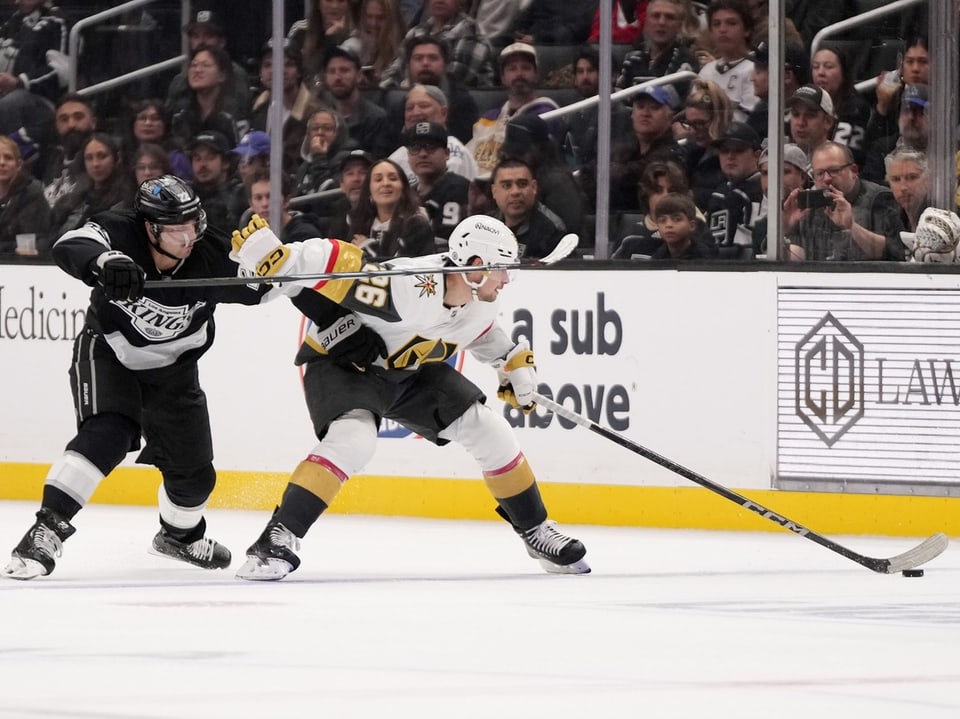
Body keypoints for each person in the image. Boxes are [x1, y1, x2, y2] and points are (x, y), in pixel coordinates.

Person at [228, 213, 590, 580]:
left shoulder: (482, 296)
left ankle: (535, 529)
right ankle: (277, 537)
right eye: (501, 269)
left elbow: (481, 332)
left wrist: (513, 365)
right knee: (353, 440)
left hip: (408, 371)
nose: (507, 279)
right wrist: (280, 257)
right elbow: (340, 260)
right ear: (476, 267)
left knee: (488, 428)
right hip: (344, 363)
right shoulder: (410, 288)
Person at [2, 176, 270, 579]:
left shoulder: (211, 248)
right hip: (110, 351)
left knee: (196, 476)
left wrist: (277, 258)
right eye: (178, 230)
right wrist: (104, 262)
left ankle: (179, 537)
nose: (189, 238)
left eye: (193, 225)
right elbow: (69, 245)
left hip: (175, 370)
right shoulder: (120, 229)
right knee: (109, 432)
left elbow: (265, 285)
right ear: (149, 227)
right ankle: (45, 531)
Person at [783, 141, 905, 262]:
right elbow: (798, 254)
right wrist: (785, 229)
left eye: (834, 170)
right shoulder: (811, 206)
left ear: (854, 170)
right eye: (819, 173)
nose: (827, 179)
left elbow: (894, 252)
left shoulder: (881, 198)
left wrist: (852, 226)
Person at [467, 43, 559, 177]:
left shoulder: (547, 113)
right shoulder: (489, 117)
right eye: (512, 69)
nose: (519, 74)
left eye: (526, 68)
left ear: (536, 75)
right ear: (503, 77)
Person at [381, 35, 479, 146]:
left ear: (445, 64)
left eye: (433, 58)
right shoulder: (400, 106)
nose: (425, 63)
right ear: (408, 66)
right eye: (418, 58)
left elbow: (465, 147)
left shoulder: (462, 102)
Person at [381, 0, 495, 88]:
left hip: (461, 105)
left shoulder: (471, 31)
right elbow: (394, 72)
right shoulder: (415, 32)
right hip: (416, 99)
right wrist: (382, 89)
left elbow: (452, 80)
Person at [249, 40, 317, 177]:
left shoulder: (314, 114)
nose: (277, 70)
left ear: (299, 72)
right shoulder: (257, 109)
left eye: (288, 64)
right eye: (268, 65)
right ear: (260, 73)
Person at [165, 9, 251, 117]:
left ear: (222, 42)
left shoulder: (235, 73)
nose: (201, 41)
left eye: (208, 35)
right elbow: (169, 118)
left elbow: (239, 112)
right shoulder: (180, 80)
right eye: (196, 36)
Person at [50, 133, 136, 238]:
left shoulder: (126, 199)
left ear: (117, 158)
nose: (95, 164)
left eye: (102, 156)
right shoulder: (78, 197)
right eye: (89, 158)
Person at [347, 157, 436, 259]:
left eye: (393, 178)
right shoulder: (357, 223)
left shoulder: (416, 224)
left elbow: (403, 267)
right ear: (369, 190)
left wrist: (369, 248)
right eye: (378, 179)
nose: (386, 183)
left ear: (403, 188)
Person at [0, 0, 65, 138]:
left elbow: (61, 72)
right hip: (9, 95)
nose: (17, 1)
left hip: (44, 102)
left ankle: (9, 153)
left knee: (9, 104)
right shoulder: (13, 21)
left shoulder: (58, 21)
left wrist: (19, 82)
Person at [388, 84, 479, 182]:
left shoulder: (455, 154)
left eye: (424, 106)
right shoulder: (395, 158)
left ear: (443, 113)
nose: (416, 112)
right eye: (410, 108)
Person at [403, 121, 469, 249]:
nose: (423, 154)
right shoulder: (408, 192)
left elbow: (447, 243)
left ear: (447, 153)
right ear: (408, 156)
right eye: (415, 148)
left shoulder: (456, 187)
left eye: (430, 147)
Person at [167, 46, 249, 149]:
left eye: (205, 65)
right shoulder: (181, 111)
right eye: (193, 65)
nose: (197, 70)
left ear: (222, 75)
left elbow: (240, 152)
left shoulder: (233, 113)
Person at [321, 45, 392, 159]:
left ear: (359, 76)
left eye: (344, 70)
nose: (337, 77)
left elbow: (378, 163)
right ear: (325, 77)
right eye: (331, 71)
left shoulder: (376, 118)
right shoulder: (320, 119)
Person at [705, 121, 763, 256]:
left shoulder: (763, 191)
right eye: (725, 151)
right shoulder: (720, 191)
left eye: (738, 150)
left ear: (757, 155)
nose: (730, 157)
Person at [490, 158, 566, 260]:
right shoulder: (484, 225)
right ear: (494, 191)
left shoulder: (552, 230)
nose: (515, 192)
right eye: (506, 185)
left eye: (522, 184)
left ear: (534, 187)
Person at [615, 0, 700, 91]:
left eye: (670, 17)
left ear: (679, 25)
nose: (661, 22)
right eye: (655, 16)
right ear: (646, 21)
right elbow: (618, 98)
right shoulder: (632, 59)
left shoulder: (686, 62)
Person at [810, 44, 871, 167]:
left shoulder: (855, 109)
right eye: (816, 67)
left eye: (829, 67)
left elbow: (845, 160)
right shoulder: (806, 104)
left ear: (844, 73)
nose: (820, 72)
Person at [697, 0, 758, 123]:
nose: (722, 29)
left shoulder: (757, 69)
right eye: (716, 24)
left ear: (747, 30)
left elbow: (746, 119)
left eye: (731, 23)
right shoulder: (706, 71)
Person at [678, 77, 732, 209]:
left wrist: (692, 196)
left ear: (718, 119)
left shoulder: (733, 154)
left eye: (700, 123)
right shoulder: (690, 154)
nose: (693, 130)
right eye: (689, 124)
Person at [751, 141, 809, 257]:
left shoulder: (822, 215)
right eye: (766, 173)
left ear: (802, 177)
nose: (773, 179)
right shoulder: (762, 227)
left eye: (784, 171)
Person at [41, 93, 98, 208]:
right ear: (56, 125)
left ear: (93, 123)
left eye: (78, 117)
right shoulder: (50, 160)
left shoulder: (99, 160)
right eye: (64, 119)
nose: (71, 125)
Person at [0, 134, 51, 258]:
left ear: (18, 165)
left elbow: (32, 242)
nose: (2, 163)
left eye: (8, 158)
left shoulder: (32, 193)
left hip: (22, 265)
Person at [341, 0, 407, 88]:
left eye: (380, 18)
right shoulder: (353, 46)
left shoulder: (404, 49)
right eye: (369, 16)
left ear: (392, 20)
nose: (373, 23)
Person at [288, 0, 355, 85]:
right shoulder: (300, 30)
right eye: (328, 0)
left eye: (341, 1)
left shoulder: (355, 34)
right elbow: (302, 73)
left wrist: (334, 37)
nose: (334, 6)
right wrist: (328, 39)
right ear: (317, 3)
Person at [124, 99, 192, 183]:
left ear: (164, 124)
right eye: (142, 118)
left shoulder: (176, 159)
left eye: (155, 118)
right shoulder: (125, 155)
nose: (148, 123)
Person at [189, 130, 240, 231]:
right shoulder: (186, 197)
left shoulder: (239, 195)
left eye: (210, 157)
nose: (202, 164)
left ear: (226, 162)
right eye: (197, 158)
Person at [650, 192, 715, 259]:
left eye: (677, 219)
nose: (668, 225)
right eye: (662, 220)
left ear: (692, 225)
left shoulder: (705, 257)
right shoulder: (657, 258)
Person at [885, 148, 929, 233]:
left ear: (927, 180)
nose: (903, 187)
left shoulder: (942, 213)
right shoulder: (893, 217)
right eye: (896, 179)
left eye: (912, 177)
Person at [786, 84, 835, 161]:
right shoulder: (781, 158)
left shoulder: (837, 161)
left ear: (828, 122)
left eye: (810, 115)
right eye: (796, 114)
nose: (801, 123)